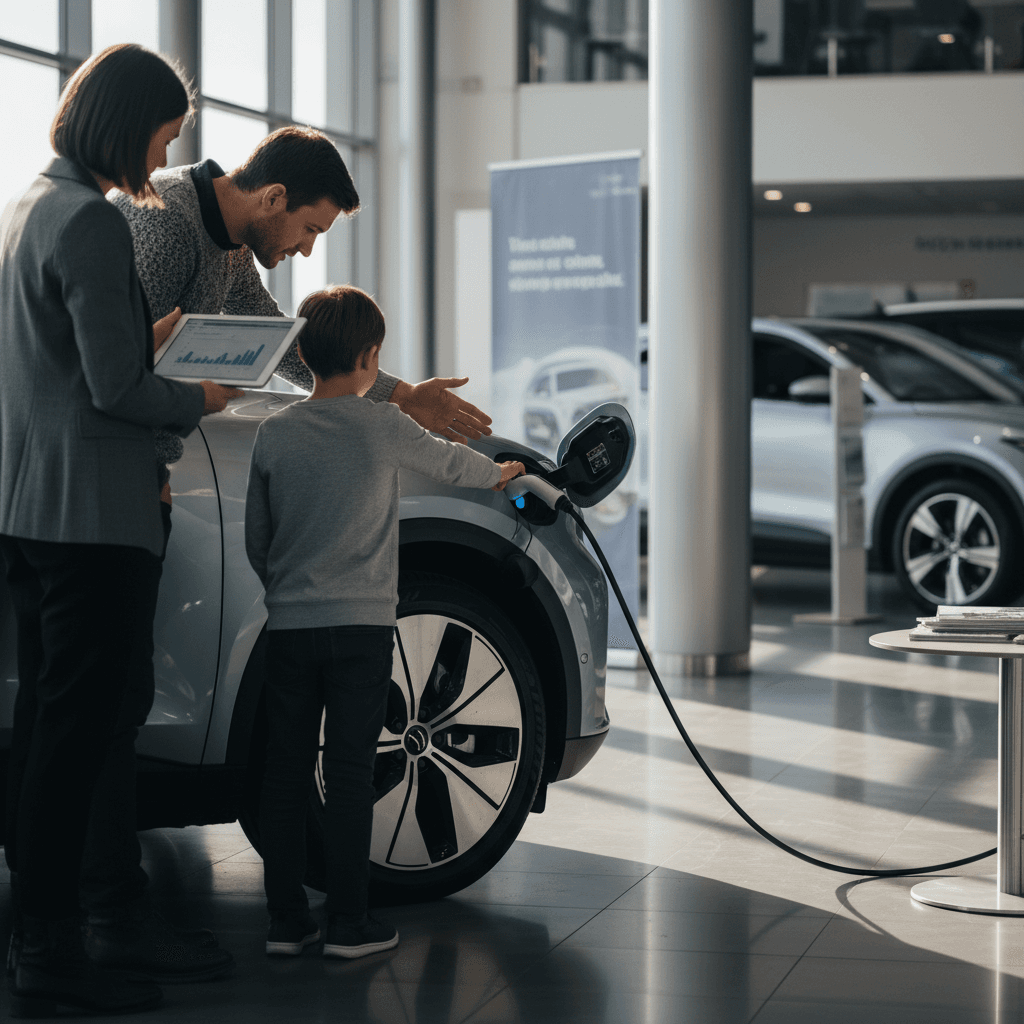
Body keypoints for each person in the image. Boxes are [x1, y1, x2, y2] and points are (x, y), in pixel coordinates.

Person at [0, 44, 240, 1015]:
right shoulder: (93, 220)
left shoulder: (27, 207)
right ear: (124, 120)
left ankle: (47, 932)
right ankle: (52, 944)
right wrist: (202, 394)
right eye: (163, 131)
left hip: (28, 510)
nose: (164, 149)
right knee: (81, 738)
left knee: (48, 732)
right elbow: (115, 389)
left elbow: (56, 361)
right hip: (93, 517)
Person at [244, 286, 523, 958]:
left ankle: (285, 922)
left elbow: (258, 537)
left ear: (301, 352)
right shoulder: (384, 426)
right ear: (372, 358)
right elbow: (451, 463)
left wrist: (287, 588)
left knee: (281, 772)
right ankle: (349, 922)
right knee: (346, 771)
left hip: (290, 627)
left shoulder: (273, 433)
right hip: (363, 629)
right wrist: (503, 473)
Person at [111, 125, 492, 448]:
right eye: (310, 229)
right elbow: (115, 371)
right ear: (274, 197)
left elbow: (278, 345)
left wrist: (401, 397)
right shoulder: (166, 221)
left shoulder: (232, 246)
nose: (307, 250)